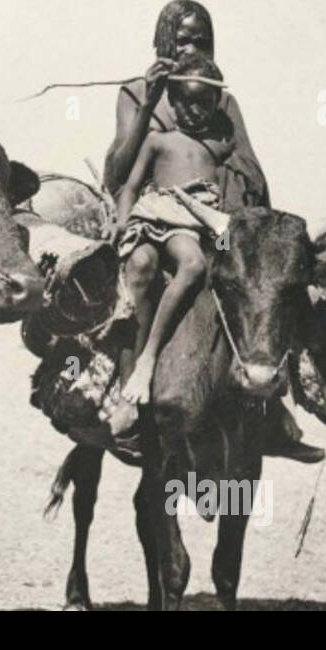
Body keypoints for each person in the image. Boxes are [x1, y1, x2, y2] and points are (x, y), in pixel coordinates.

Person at [101, 0, 324, 462]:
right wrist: (148, 107)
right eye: (181, 39)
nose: (190, 48)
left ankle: (275, 409)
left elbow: (251, 170)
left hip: (217, 220)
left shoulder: (222, 99)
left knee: (273, 285)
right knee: (138, 268)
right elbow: (119, 172)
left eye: (200, 41)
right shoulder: (135, 92)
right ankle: (124, 384)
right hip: (154, 214)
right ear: (162, 40)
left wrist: (230, 200)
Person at [112, 53, 231, 414]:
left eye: (204, 103)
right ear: (173, 103)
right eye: (186, 102)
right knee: (142, 262)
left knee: (194, 264)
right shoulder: (158, 141)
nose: (195, 111)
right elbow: (131, 185)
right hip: (153, 215)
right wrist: (120, 220)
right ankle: (131, 369)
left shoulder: (220, 147)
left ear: (216, 104)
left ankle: (152, 357)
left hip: (190, 224)